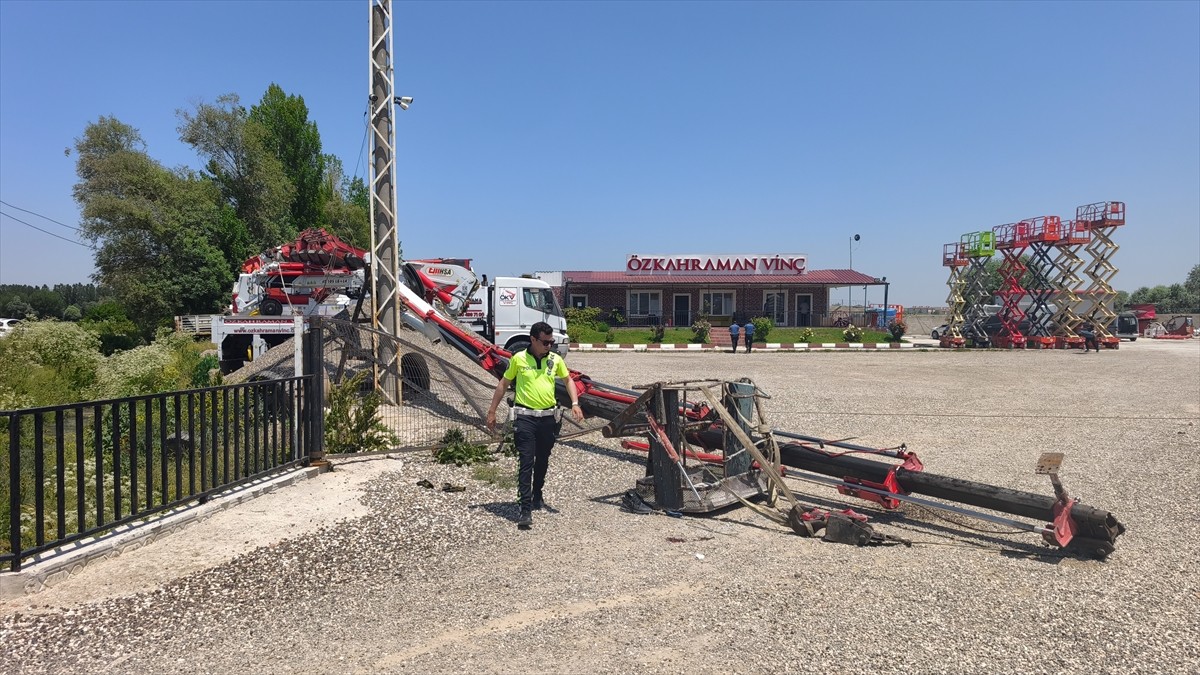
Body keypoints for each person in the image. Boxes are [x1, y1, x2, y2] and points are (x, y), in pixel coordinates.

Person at [486, 321, 584, 530]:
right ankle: (525, 508)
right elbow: (503, 384)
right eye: (545, 342)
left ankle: (538, 492)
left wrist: (575, 403)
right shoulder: (519, 359)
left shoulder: (555, 359)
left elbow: (568, 381)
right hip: (525, 418)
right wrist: (492, 411)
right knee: (526, 461)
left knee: (543, 460)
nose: (549, 346)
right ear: (533, 340)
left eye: (552, 342)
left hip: (548, 418)